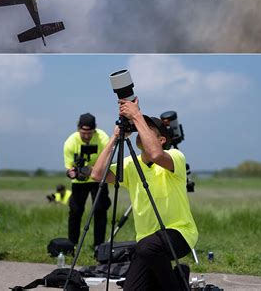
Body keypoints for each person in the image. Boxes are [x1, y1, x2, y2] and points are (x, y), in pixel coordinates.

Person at [91, 99, 198, 291]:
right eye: (141, 129)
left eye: (148, 131)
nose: (141, 132)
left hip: (180, 234)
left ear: (162, 140)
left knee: (148, 246)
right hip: (146, 245)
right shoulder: (131, 164)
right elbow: (97, 174)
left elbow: (156, 155)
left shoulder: (174, 157)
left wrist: (137, 116)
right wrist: (115, 138)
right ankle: (178, 275)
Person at [64, 113, 111, 248]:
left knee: (100, 210)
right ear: (78, 129)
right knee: (75, 211)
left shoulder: (103, 138)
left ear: (94, 130)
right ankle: (72, 244)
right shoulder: (70, 142)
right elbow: (69, 167)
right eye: (83, 133)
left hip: (98, 178)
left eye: (89, 133)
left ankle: (99, 245)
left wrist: (92, 170)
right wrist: (71, 173)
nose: (86, 136)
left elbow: (107, 160)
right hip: (79, 182)